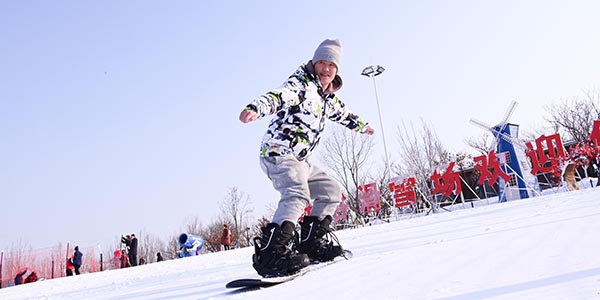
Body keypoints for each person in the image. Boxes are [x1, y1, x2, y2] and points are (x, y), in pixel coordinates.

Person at [239, 38, 374, 277]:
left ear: (336, 71)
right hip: (278, 152)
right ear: (314, 63)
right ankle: (272, 254)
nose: (326, 69)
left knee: (331, 191)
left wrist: (363, 127)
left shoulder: (327, 99)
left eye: (331, 65)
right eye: (322, 62)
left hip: (300, 160)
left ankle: (312, 243)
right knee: (297, 194)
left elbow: (344, 114)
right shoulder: (301, 85)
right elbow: (279, 96)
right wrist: (256, 107)